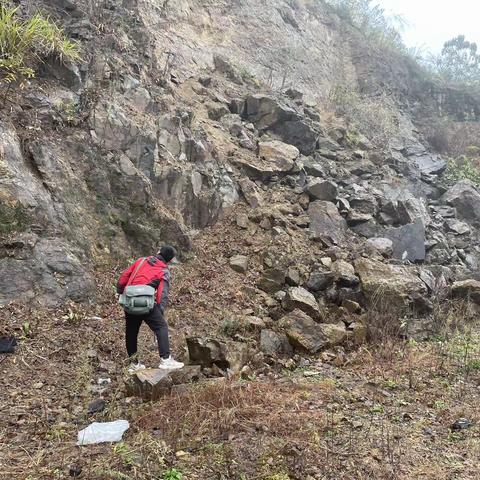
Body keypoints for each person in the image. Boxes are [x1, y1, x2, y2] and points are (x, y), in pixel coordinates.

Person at [117, 245, 184, 373]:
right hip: (147, 304)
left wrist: (120, 291)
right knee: (161, 327)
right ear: (169, 260)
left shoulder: (140, 261)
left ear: (158, 252)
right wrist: (159, 310)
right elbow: (162, 294)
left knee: (131, 331)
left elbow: (124, 277)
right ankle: (165, 359)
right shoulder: (164, 271)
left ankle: (134, 363)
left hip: (130, 301)